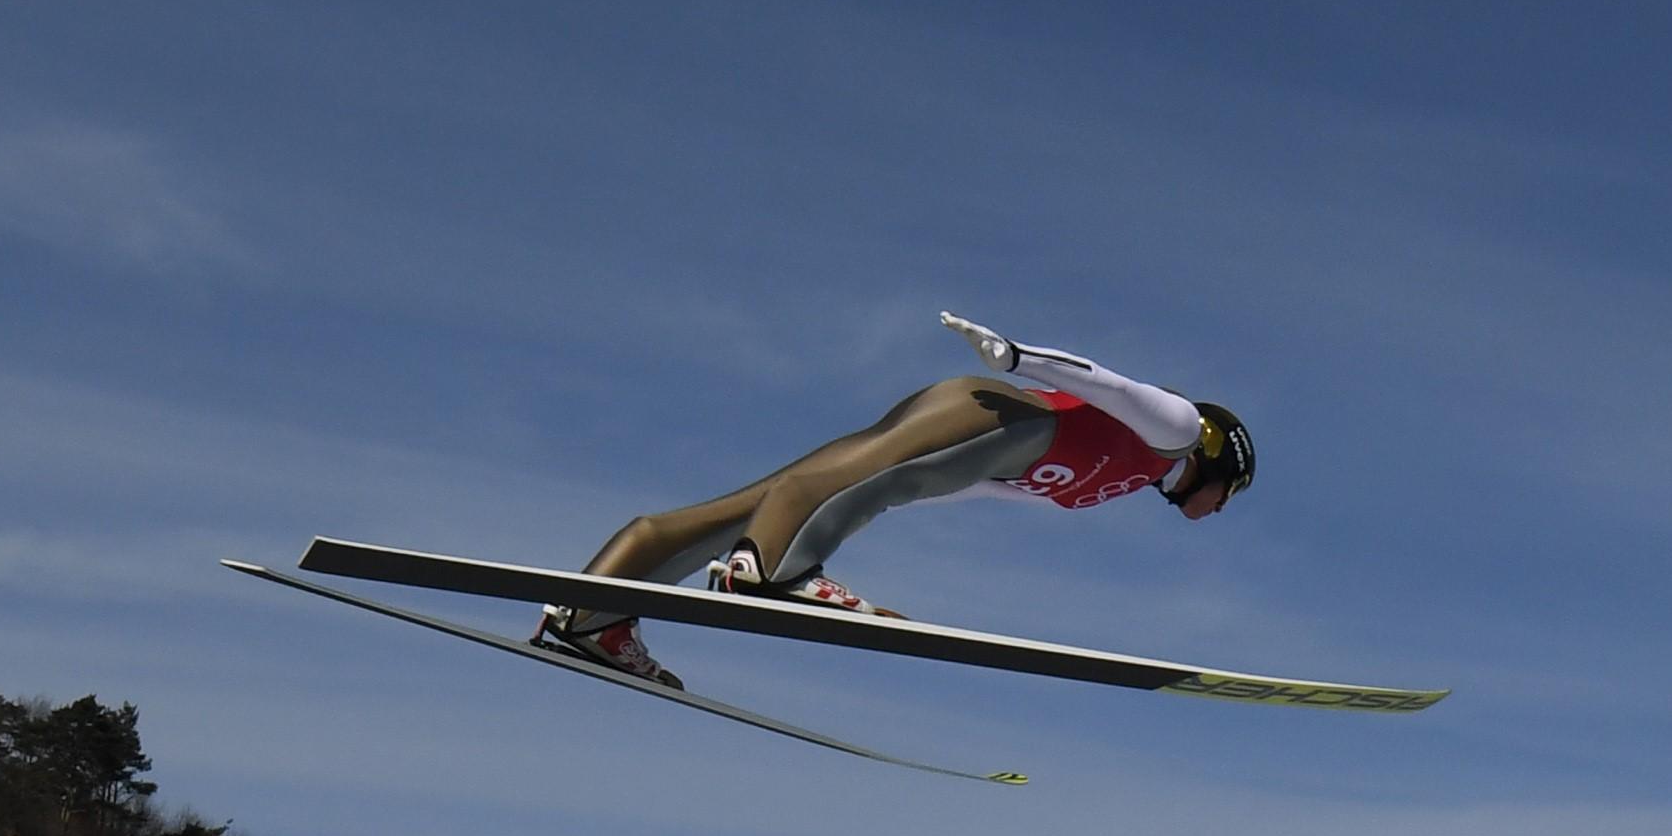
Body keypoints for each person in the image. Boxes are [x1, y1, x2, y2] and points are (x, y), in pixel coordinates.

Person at [535, 314, 1254, 687]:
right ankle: (772, 568)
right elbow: (1111, 384)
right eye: (1228, 493)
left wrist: (907, 494)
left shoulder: (1114, 485)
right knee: (871, 476)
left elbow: (986, 485)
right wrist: (1017, 357)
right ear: (1218, 457)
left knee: (759, 501)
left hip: (985, 437)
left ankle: (596, 609)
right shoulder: (1177, 430)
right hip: (1000, 409)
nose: (1218, 509)